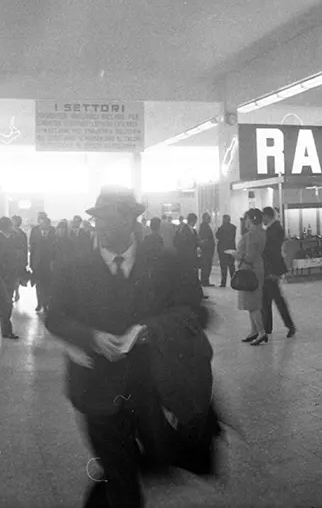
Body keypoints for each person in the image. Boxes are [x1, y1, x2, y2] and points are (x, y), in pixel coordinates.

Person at [45, 186, 218, 507]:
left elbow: (198, 312)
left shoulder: (165, 263)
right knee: (121, 474)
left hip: (151, 388)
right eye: (98, 220)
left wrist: (149, 330)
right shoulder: (73, 266)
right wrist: (92, 337)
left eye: (111, 219)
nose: (102, 227)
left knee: (155, 459)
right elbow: (54, 318)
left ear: (132, 222)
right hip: (95, 387)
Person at [260, 207, 298, 338]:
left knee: (276, 298)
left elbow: (273, 252)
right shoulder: (272, 228)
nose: (262, 219)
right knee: (267, 299)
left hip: (272, 269)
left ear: (267, 216)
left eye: (263, 216)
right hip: (269, 269)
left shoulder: (275, 229)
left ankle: (288, 325)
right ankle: (267, 328)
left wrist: (272, 271)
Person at [0, 216, 25, 338]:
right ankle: (6, 331)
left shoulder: (5, 238)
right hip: (4, 277)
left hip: (7, 276)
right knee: (6, 304)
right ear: (7, 227)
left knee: (1, 302)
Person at [237, 209, 268, 345]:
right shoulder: (263, 233)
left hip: (249, 270)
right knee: (253, 302)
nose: (245, 221)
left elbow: (249, 256)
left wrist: (237, 256)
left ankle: (261, 332)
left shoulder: (251, 236)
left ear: (251, 219)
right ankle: (254, 331)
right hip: (259, 268)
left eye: (247, 218)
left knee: (252, 303)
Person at [31, 222, 58, 313]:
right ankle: (39, 303)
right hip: (38, 265)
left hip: (48, 265)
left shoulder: (53, 237)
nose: (44, 230)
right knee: (38, 286)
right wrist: (32, 264)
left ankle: (46, 304)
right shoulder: (36, 237)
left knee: (47, 286)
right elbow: (32, 251)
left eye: (46, 228)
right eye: (42, 228)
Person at [215, 215, 237, 288]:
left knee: (223, 267)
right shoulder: (233, 227)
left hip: (222, 250)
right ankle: (234, 282)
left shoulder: (221, 228)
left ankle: (223, 283)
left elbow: (217, 236)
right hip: (231, 249)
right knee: (231, 266)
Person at [197, 213, 215, 287]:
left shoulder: (205, 225)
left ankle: (205, 280)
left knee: (207, 265)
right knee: (206, 265)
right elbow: (204, 238)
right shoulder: (204, 226)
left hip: (208, 248)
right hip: (207, 249)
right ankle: (204, 281)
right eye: (209, 217)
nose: (210, 219)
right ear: (204, 218)